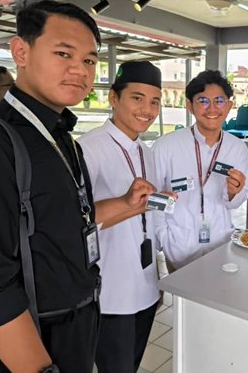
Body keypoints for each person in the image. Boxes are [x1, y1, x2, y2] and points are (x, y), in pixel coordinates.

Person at [0, 0, 151, 372]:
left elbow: (69, 221)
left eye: (89, 60)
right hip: (31, 342)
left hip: (78, 322)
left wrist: (127, 203)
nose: (79, 70)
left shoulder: (61, 138)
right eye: (63, 53)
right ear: (21, 52)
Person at [77, 61, 164, 373]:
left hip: (145, 283)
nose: (147, 110)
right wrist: (126, 203)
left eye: (155, 101)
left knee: (132, 364)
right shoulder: (88, 149)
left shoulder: (147, 151)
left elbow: (148, 218)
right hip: (110, 289)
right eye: (137, 98)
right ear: (114, 98)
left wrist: (156, 278)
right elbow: (74, 219)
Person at [149, 70, 248, 270]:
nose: (212, 108)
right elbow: (152, 198)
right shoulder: (166, 146)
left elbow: (240, 197)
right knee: (180, 290)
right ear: (190, 105)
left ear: (229, 106)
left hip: (220, 242)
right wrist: (163, 237)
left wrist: (233, 192)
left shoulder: (237, 148)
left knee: (221, 287)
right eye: (203, 101)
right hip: (179, 243)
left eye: (219, 101)